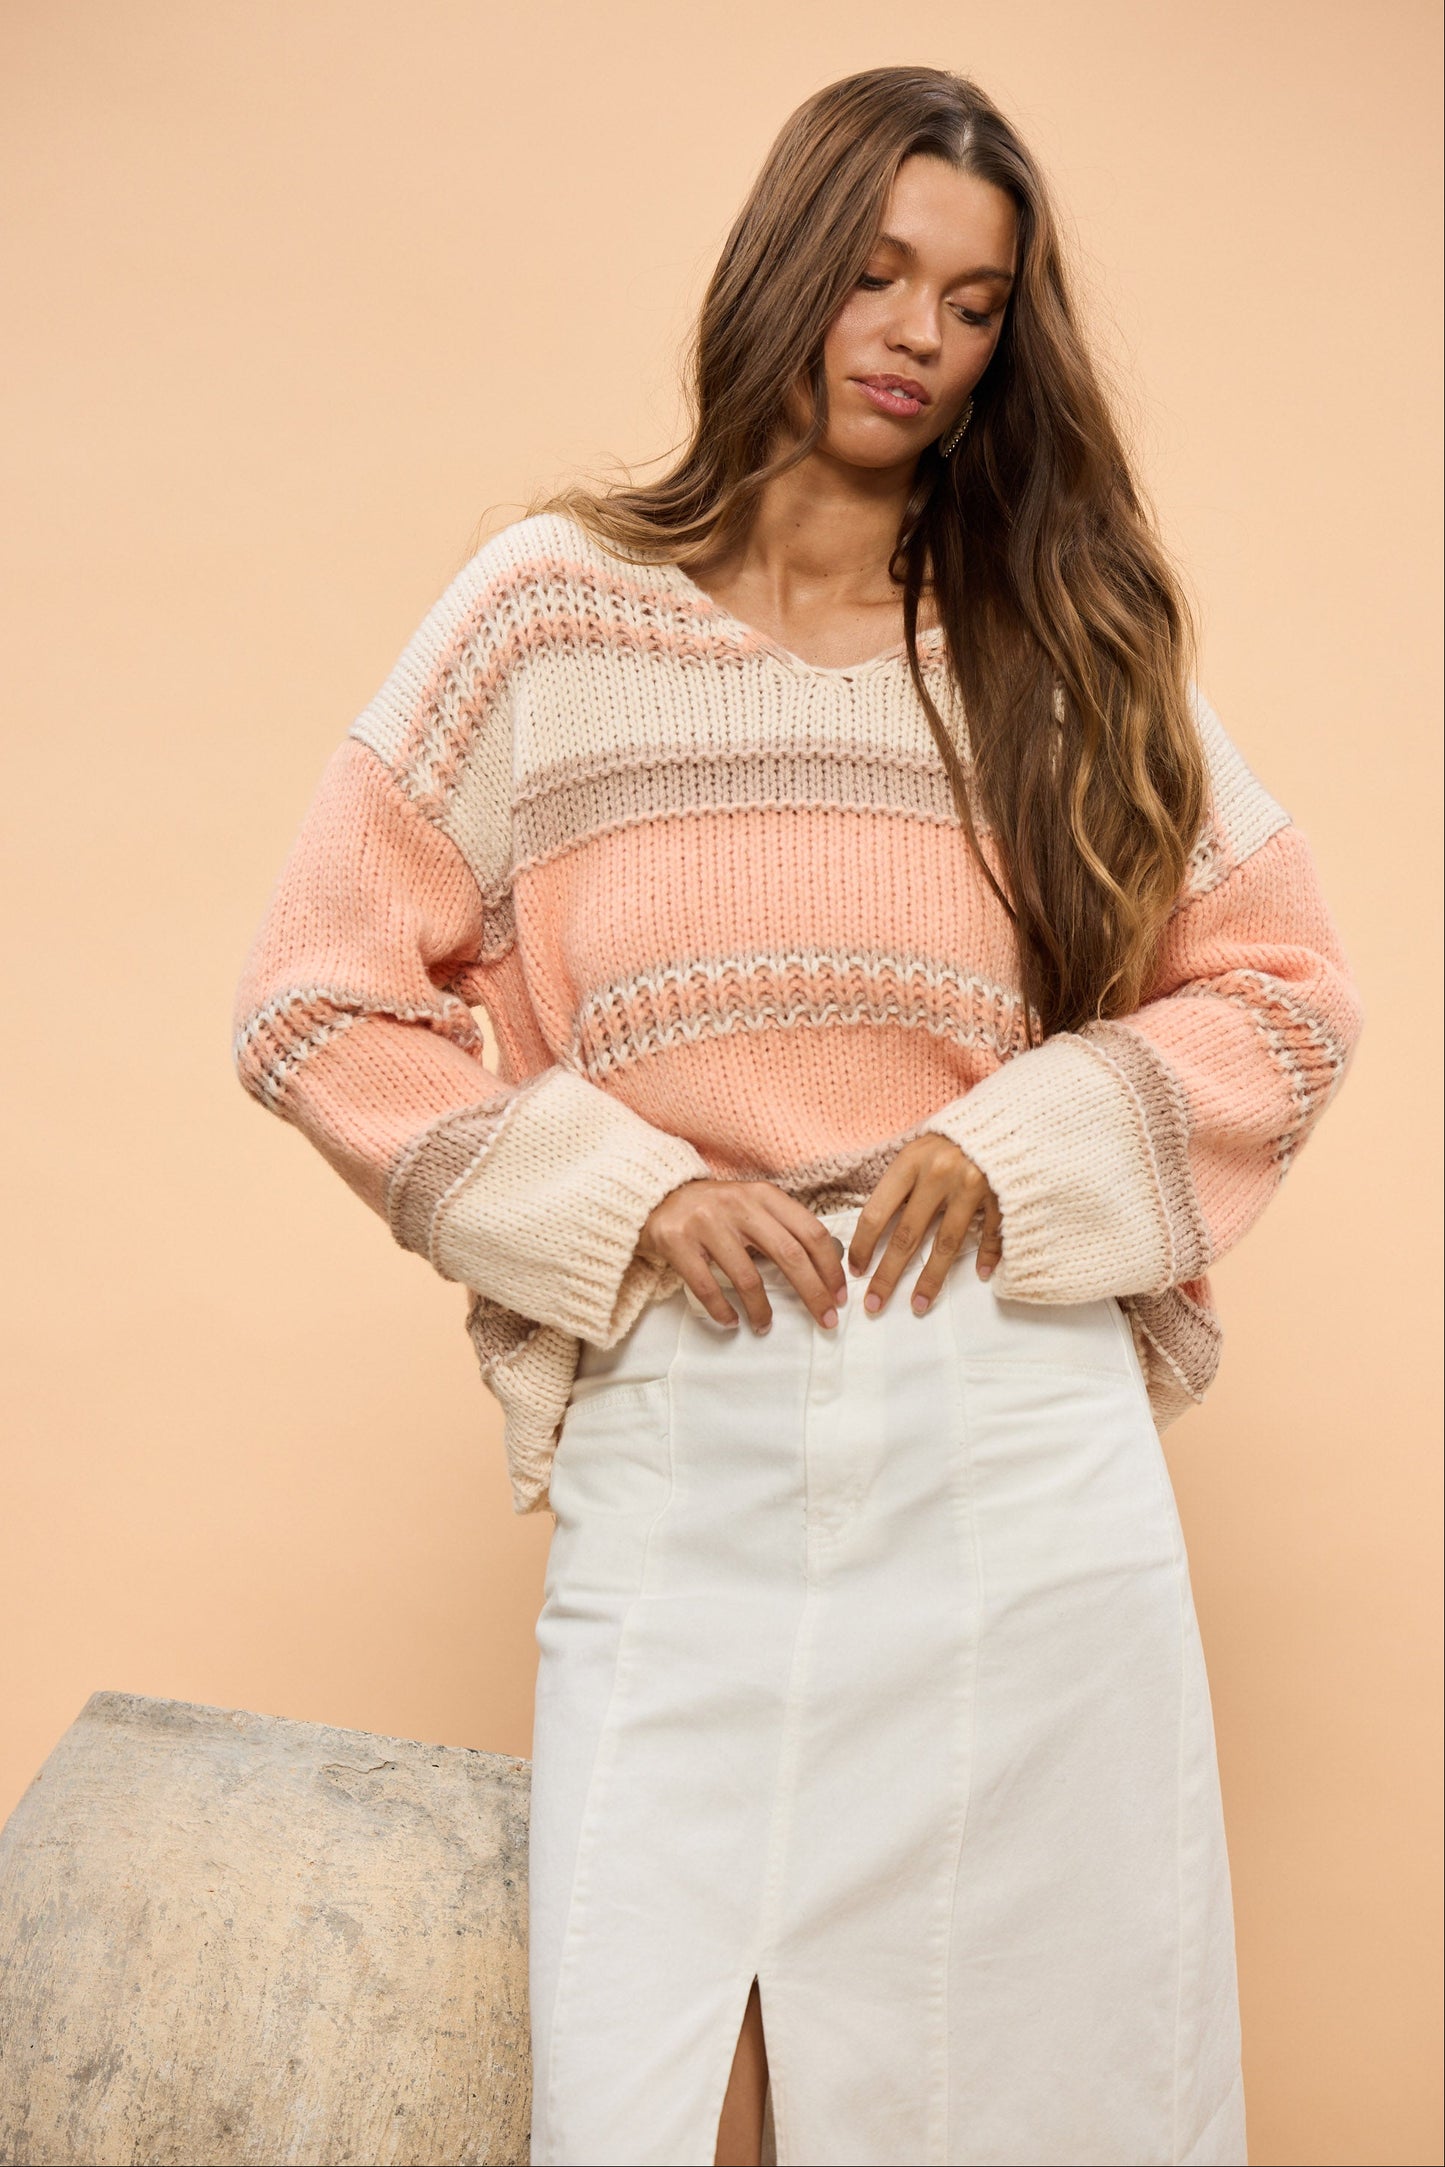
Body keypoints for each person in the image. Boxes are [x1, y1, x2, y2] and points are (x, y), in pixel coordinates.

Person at [231, 64, 1363, 2167]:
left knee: (1038, 2069)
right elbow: (313, 995)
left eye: (975, 297)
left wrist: (1022, 1145)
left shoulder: (1055, 645)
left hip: (1014, 1442)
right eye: (874, 271)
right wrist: (623, 1195)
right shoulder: (548, 611)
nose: (918, 332)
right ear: (783, 272)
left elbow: (1288, 997)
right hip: (692, 1433)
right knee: (663, 2070)